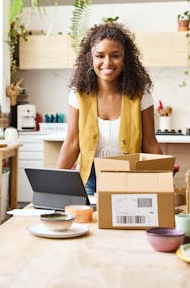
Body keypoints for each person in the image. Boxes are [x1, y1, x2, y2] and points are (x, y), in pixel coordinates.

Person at [56, 22, 163, 195]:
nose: (107, 62)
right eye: (100, 56)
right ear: (90, 59)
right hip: (90, 180)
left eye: (115, 55)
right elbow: (72, 143)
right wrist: (54, 186)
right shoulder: (79, 94)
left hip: (130, 179)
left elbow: (150, 143)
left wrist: (164, 180)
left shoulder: (140, 94)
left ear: (125, 58)